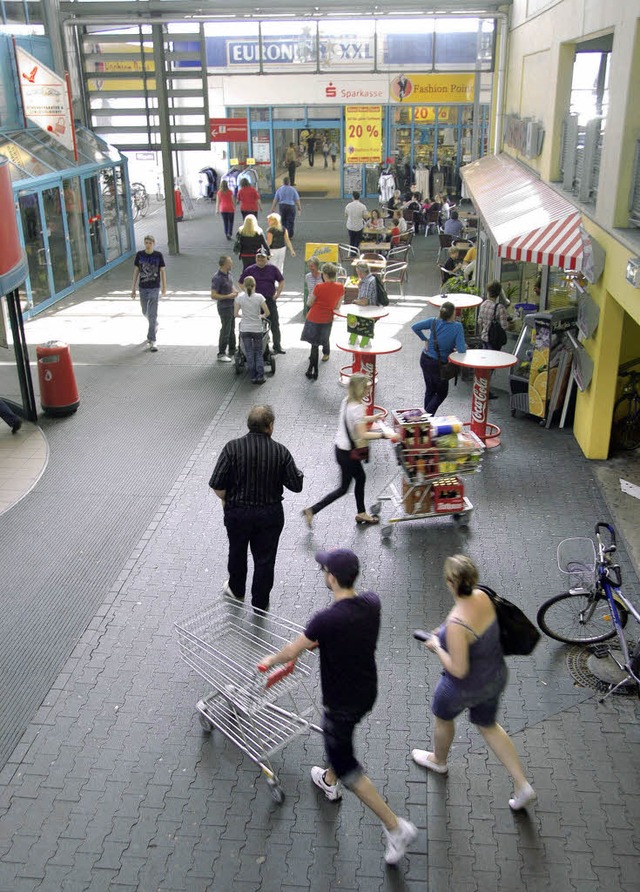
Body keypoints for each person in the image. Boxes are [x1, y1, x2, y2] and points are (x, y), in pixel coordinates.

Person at [258, 547, 417, 866]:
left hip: (340, 704)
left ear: (331, 578)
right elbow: (341, 633)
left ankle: (396, 827)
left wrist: (270, 660)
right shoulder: (372, 603)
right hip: (366, 693)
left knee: (348, 766)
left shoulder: (325, 620)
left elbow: (293, 651)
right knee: (339, 746)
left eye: (324, 571)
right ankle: (329, 782)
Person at [412, 554, 537, 813]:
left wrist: (437, 646)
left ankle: (439, 760)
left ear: (450, 582)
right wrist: (441, 629)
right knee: (488, 726)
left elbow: (458, 669)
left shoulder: (458, 624)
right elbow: (457, 616)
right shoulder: (482, 595)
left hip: (463, 688)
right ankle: (522, 784)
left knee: (443, 718)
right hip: (495, 676)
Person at [209, 405, 303, 610]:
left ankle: (236, 590)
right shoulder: (280, 451)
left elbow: (217, 483)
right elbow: (296, 486)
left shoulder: (231, 448)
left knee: (237, 552)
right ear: (270, 426)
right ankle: (260, 602)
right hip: (269, 515)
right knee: (265, 559)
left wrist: (227, 500)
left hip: (238, 513)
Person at [301, 373, 398, 527]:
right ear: (360, 389)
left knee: (351, 483)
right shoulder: (358, 408)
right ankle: (355, 513)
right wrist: (384, 435)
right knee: (351, 483)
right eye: (367, 389)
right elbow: (362, 433)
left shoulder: (347, 402)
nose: (369, 392)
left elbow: (355, 420)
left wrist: (373, 418)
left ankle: (316, 510)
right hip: (347, 453)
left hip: (340, 449)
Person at [411, 301, 466, 415]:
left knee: (430, 390)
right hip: (439, 365)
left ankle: (425, 424)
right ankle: (425, 417)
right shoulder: (457, 327)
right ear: (452, 314)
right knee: (441, 393)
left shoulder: (433, 321)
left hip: (425, 359)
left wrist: (425, 339)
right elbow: (461, 350)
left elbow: (415, 327)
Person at [300, 262, 344, 380]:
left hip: (314, 318)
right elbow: (337, 306)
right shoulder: (340, 287)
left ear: (324, 274)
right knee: (320, 343)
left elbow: (309, 303)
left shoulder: (319, 287)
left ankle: (314, 371)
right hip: (327, 320)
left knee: (314, 346)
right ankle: (312, 370)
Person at [239, 251, 286, 354]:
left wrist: (278, 293)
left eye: (262, 258)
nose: (260, 260)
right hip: (255, 301)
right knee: (256, 324)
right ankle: (262, 348)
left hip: (269, 300)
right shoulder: (250, 269)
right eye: (258, 258)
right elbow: (240, 282)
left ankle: (277, 346)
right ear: (256, 258)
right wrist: (248, 294)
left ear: (267, 258)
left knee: (274, 323)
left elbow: (281, 281)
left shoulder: (272, 269)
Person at [131, 234, 166, 352]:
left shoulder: (158, 255)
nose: (148, 245)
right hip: (143, 288)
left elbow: (162, 271)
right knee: (144, 311)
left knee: (152, 314)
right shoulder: (140, 255)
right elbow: (136, 271)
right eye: (146, 242)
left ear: (153, 244)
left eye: (150, 243)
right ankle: (154, 324)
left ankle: (152, 340)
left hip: (154, 288)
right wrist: (133, 288)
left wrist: (164, 287)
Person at [234, 276, 270, 385]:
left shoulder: (240, 298)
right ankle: (260, 376)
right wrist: (261, 316)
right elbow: (267, 312)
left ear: (244, 286)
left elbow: (235, 314)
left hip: (245, 329)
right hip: (257, 329)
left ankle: (253, 376)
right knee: (258, 352)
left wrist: (244, 316)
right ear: (255, 285)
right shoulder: (259, 297)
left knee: (249, 353)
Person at [478, 281, 510, 399]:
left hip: (484, 338)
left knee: (485, 364)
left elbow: (479, 321)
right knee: (490, 367)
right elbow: (504, 326)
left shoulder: (483, 304)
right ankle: (486, 390)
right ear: (498, 294)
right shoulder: (499, 307)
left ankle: (482, 388)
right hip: (494, 341)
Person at [210, 255, 239, 363]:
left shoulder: (229, 274)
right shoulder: (217, 278)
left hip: (231, 305)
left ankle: (232, 349)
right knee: (226, 329)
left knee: (232, 328)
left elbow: (231, 286)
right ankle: (221, 353)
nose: (232, 264)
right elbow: (213, 295)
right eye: (230, 262)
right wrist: (228, 296)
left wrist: (235, 291)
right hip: (224, 307)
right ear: (225, 264)